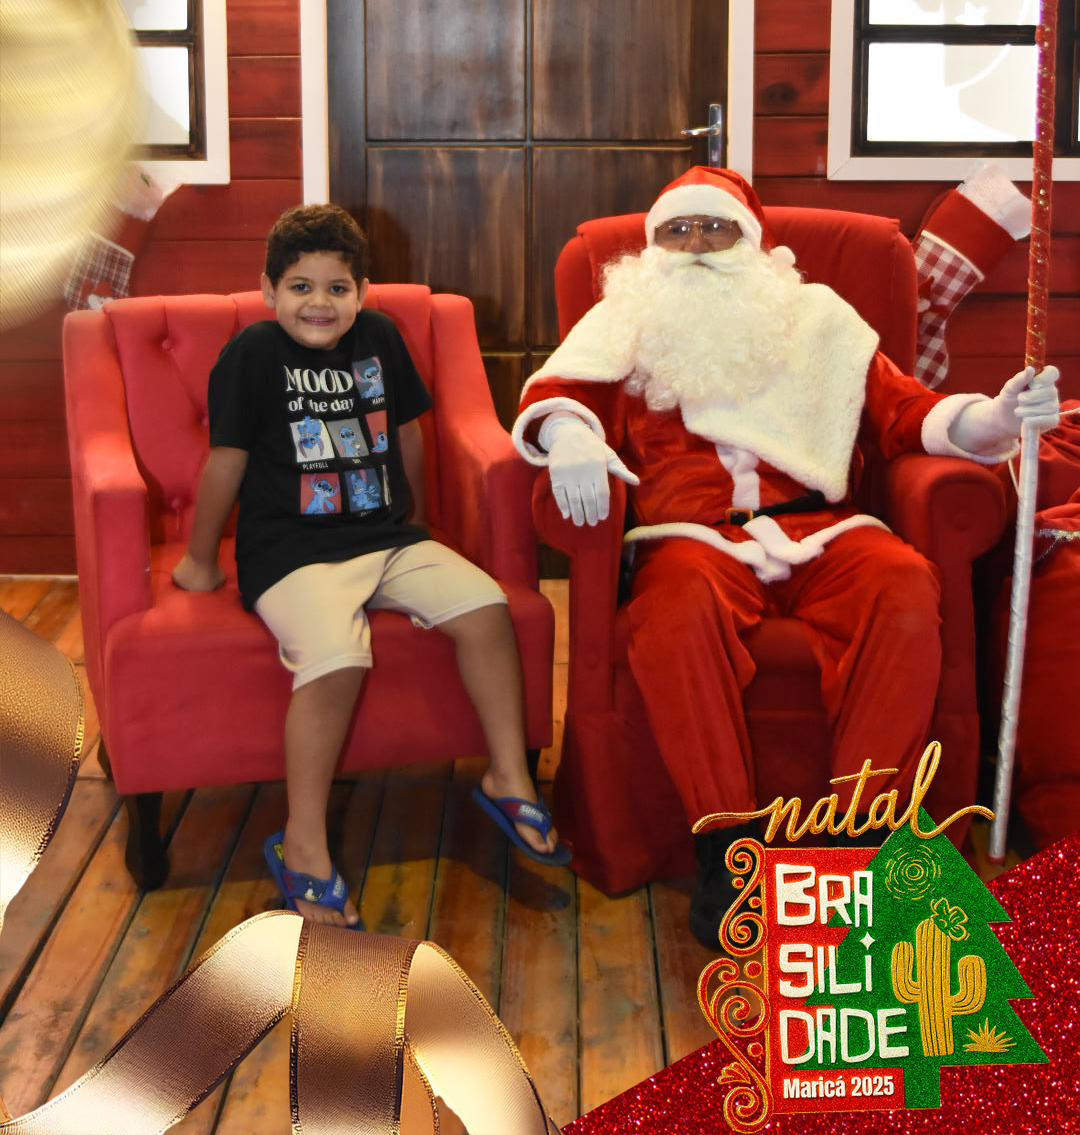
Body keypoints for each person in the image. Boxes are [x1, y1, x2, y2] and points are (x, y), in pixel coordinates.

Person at [512, 167, 1060, 945]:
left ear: (751, 240)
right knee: (674, 615)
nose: (696, 246)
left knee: (905, 586)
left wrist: (993, 417)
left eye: (715, 228)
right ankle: (727, 852)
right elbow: (559, 394)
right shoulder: (625, 321)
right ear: (654, 247)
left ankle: (860, 843)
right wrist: (567, 432)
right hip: (693, 537)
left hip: (822, 528)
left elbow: (905, 412)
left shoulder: (818, 318)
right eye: (678, 230)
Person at [174, 203, 567, 927]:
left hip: (386, 537)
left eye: (337, 288)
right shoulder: (252, 354)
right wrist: (201, 560)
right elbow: (226, 459)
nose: (319, 303)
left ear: (360, 291)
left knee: (486, 608)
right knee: (336, 657)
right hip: (290, 551)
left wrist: (418, 519)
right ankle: (303, 843)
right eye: (301, 287)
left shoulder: (380, 337)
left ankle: (508, 776)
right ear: (268, 289)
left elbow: (408, 434)